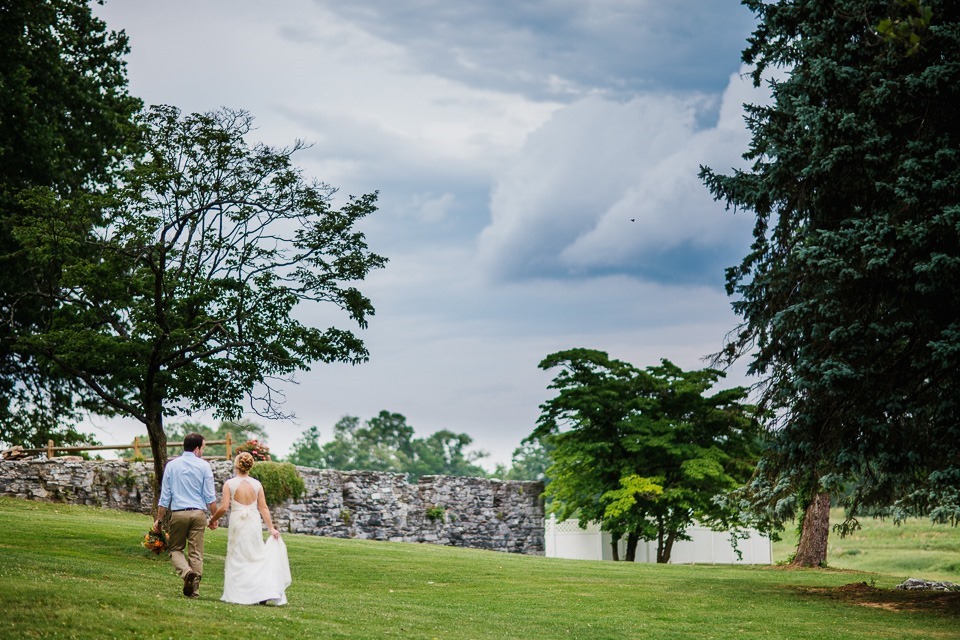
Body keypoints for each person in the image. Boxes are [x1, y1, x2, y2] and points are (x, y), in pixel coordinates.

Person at [209, 452, 291, 605]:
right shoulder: (256, 484)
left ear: (236, 465)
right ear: (250, 466)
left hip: (237, 523)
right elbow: (264, 507)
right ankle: (260, 592)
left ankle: (241, 592)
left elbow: (224, 507)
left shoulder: (230, 484)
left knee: (238, 555)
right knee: (255, 554)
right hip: (253, 522)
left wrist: (212, 519)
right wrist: (271, 528)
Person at [154, 433, 218, 598]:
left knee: (175, 549)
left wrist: (159, 519)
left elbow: (165, 496)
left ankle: (186, 573)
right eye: (203, 448)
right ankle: (194, 591)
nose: (203, 451)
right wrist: (214, 518)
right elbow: (210, 496)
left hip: (179, 513)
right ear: (197, 448)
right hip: (198, 514)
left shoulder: (172, 466)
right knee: (196, 553)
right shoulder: (204, 466)